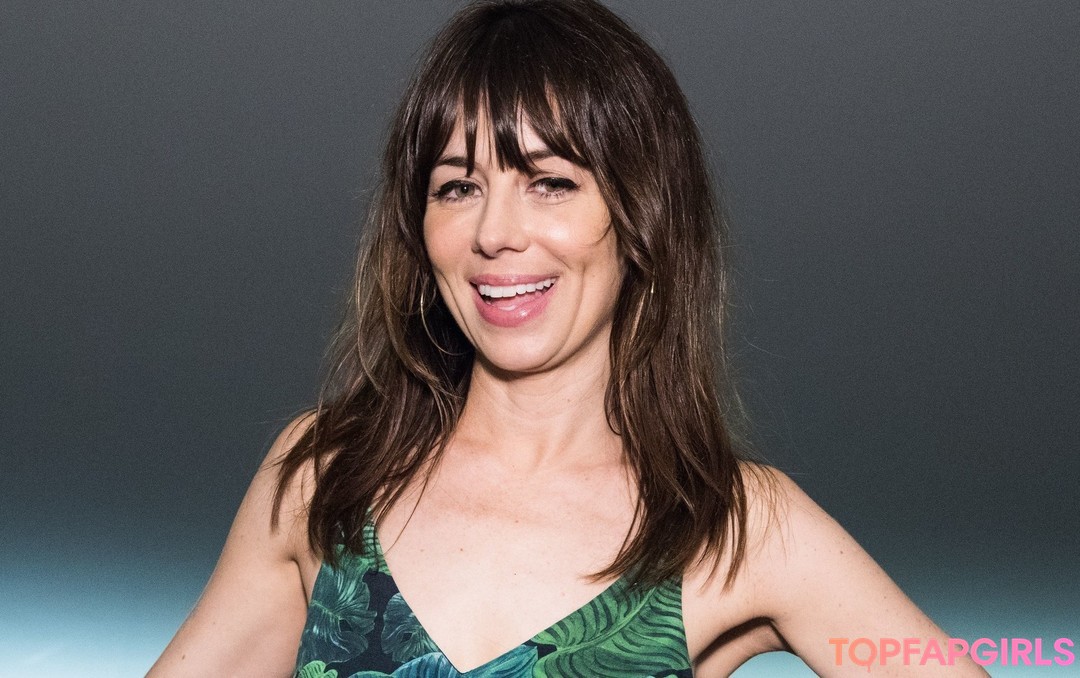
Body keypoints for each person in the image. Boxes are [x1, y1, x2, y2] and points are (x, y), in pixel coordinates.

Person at [150, 1, 987, 676]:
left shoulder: (732, 526)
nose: (495, 234)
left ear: (642, 215)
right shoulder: (327, 475)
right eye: (457, 187)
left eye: (550, 182)